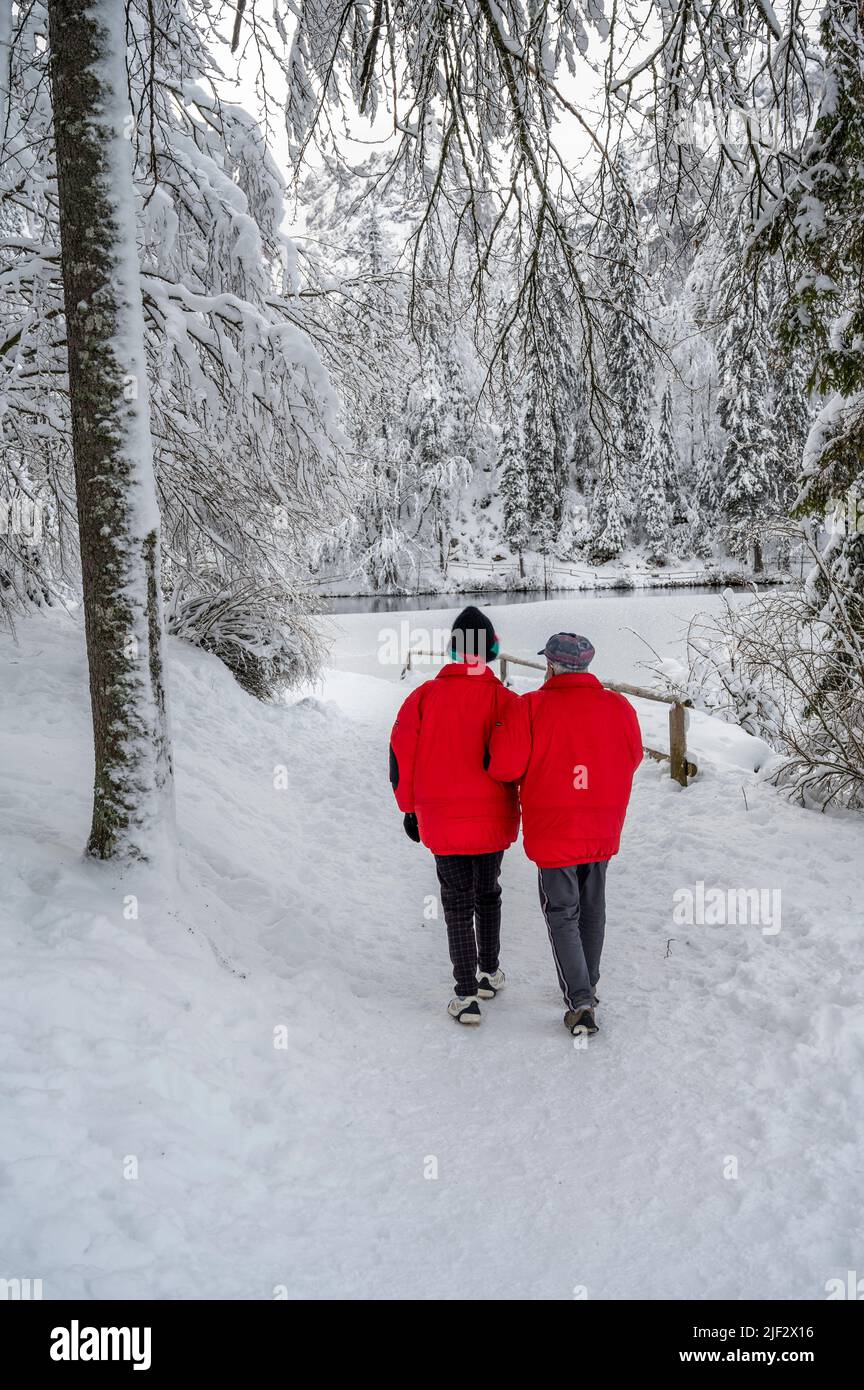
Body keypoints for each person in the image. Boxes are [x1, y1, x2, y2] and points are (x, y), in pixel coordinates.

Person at [488, 632, 642, 1037]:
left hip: (555, 826)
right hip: (603, 822)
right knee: (593, 907)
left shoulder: (531, 708)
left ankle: (581, 1001)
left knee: (562, 912)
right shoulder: (618, 706)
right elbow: (633, 755)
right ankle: (586, 986)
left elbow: (504, 766)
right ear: (587, 665)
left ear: (551, 666)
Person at [389, 606, 520, 1024]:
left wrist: (409, 808)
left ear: (452, 649)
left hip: (442, 821)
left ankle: (465, 996)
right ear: (493, 649)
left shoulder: (424, 697)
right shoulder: (505, 700)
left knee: (456, 903)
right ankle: (488, 972)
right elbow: (519, 759)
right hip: (493, 817)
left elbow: (400, 756)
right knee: (489, 891)